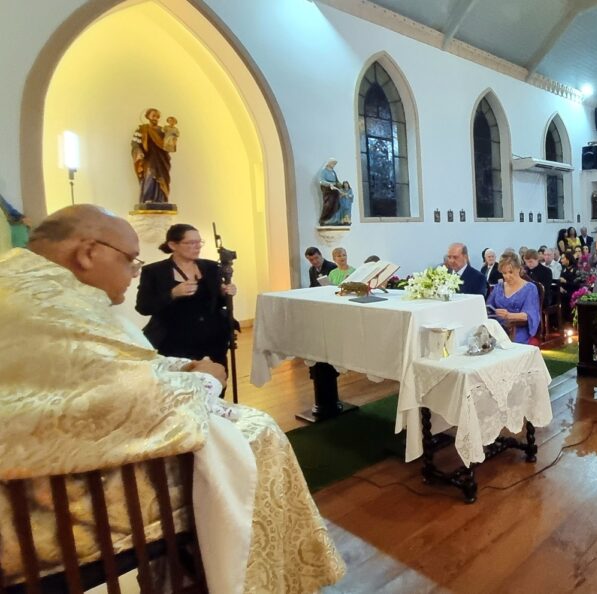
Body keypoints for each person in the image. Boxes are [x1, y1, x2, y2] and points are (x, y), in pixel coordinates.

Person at [0, 205, 344, 592]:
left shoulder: (31, 287)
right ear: (88, 253)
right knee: (258, 433)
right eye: (130, 260)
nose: (134, 271)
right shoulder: (48, 304)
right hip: (52, 505)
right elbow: (123, 395)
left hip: (201, 345)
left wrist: (185, 367)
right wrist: (203, 381)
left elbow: (113, 364)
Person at [136, 224, 236, 368]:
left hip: (213, 339)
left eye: (199, 242)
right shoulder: (154, 271)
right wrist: (172, 294)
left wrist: (224, 293)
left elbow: (217, 303)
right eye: (191, 243)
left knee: (217, 378)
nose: (197, 247)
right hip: (174, 342)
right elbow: (143, 307)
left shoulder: (211, 267)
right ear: (173, 245)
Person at [486, 253, 541, 344]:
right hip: (497, 329)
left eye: (510, 272)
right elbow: (488, 307)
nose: (507, 276)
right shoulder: (498, 287)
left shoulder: (530, 288)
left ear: (518, 269)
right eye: (504, 273)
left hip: (517, 330)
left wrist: (509, 315)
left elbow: (529, 315)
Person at [131, 107, 172, 204]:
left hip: (162, 159)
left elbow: (168, 145)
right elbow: (135, 143)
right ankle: (147, 199)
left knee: (162, 178)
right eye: (153, 116)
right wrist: (138, 152)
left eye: (157, 116)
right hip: (149, 158)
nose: (155, 118)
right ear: (147, 117)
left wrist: (172, 136)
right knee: (150, 176)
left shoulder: (162, 131)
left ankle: (161, 200)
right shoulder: (142, 129)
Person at [318, 158, 345, 225]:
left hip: (334, 190)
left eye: (335, 164)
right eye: (333, 163)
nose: (334, 165)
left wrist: (342, 185)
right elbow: (321, 181)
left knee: (336, 204)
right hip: (328, 190)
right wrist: (329, 184)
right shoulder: (324, 171)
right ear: (329, 163)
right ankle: (324, 219)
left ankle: (333, 219)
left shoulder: (333, 172)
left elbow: (336, 181)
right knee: (328, 204)